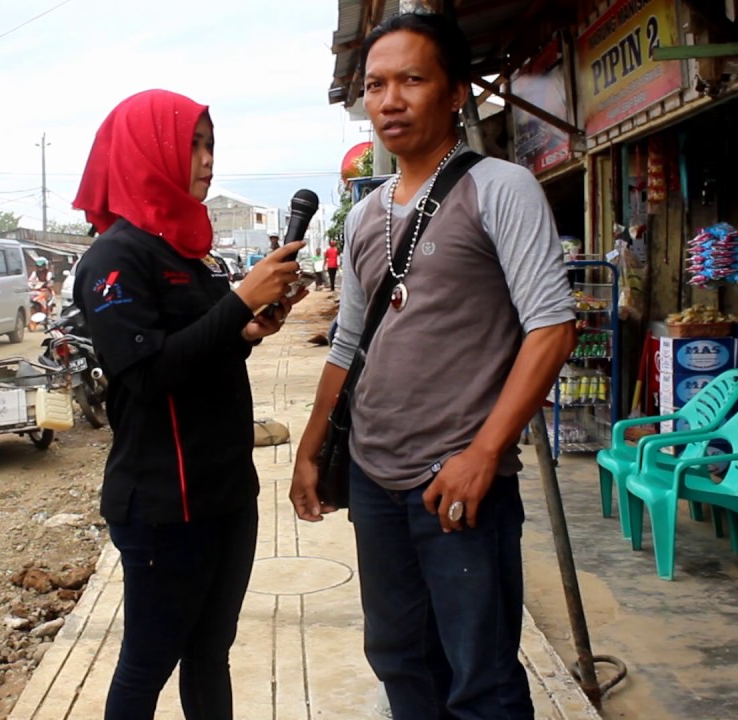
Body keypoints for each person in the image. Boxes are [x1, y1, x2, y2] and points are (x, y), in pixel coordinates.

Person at [289, 13, 576, 720]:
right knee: (398, 660)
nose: (390, 100)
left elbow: (551, 327)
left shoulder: (500, 187)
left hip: (457, 482)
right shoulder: (363, 218)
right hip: (374, 477)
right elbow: (348, 341)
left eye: (412, 80)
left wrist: (486, 451)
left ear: (453, 92)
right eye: (377, 84)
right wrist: (309, 446)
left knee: (480, 681)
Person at [71, 89, 306, 720]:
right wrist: (235, 305)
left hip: (226, 491)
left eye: (210, 145)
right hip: (163, 506)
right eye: (191, 144)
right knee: (148, 661)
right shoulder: (114, 258)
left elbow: (200, 356)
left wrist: (246, 331)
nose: (206, 160)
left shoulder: (185, 251)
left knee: (210, 653)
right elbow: (146, 375)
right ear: (148, 152)